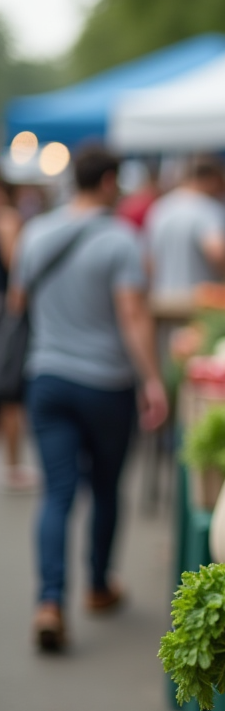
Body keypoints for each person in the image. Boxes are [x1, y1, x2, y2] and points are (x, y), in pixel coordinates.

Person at [8, 146, 169, 651]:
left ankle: (49, 601)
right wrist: (153, 379)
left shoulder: (35, 233)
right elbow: (133, 315)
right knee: (104, 487)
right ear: (107, 183)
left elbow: (18, 301)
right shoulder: (121, 238)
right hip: (106, 384)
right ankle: (98, 586)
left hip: (47, 378)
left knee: (57, 493)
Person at [145, 157, 225, 297]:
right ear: (212, 180)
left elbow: (149, 262)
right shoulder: (208, 209)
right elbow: (218, 253)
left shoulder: (159, 208)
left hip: (164, 301)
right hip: (201, 301)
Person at [0, 177, 35, 491]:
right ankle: (11, 465)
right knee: (10, 391)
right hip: (5, 315)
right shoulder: (8, 220)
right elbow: (18, 274)